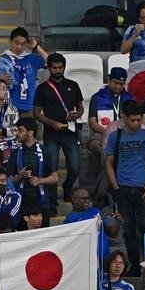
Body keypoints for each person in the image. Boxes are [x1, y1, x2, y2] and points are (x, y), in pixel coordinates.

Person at [104, 101, 145, 272]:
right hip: (123, 187)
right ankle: (135, 264)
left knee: (144, 226)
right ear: (124, 118)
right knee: (128, 229)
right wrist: (115, 188)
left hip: (142, 187)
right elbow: (108, 163)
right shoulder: (115, 136)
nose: (136, 124)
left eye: (138, 120)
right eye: (132, 120)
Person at [34, 53, 84, 202]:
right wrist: (52, 123)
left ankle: (68, 187)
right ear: (49, 68)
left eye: (60, 67)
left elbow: (80, 108)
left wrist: (76, 114)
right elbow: (36, 113)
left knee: (75, 166)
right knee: (52, 169)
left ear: (64, 68)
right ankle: (53, 201)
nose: (57, 70)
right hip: (51, 133)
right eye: (54, 68)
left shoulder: (73, 85)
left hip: (70, 132)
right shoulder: (42, 88)